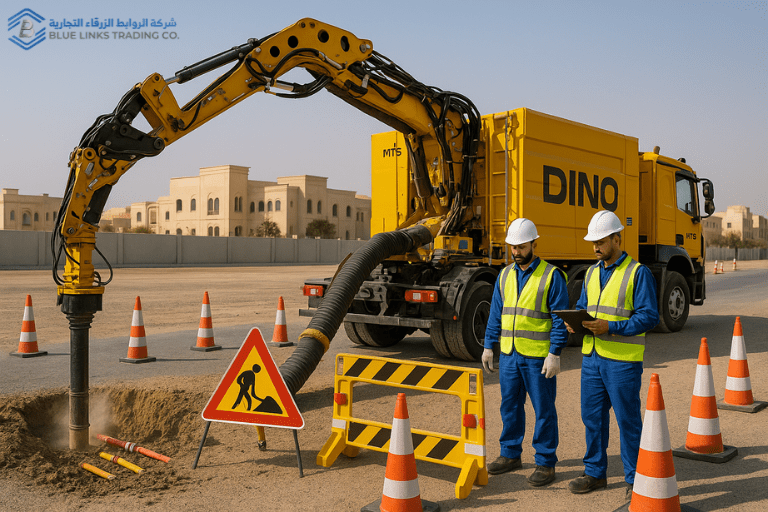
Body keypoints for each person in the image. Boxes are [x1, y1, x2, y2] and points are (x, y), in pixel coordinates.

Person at [565, 210, 659, 499]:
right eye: (593, 242)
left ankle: (635, 478)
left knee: (627, 420)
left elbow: (649, 316)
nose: (596, 247)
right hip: (592, 358)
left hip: (621, 361)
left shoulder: (637, 272)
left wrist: (612, 327)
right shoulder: (592, 272)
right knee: (592, 418)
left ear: (617, 239)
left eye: (601, 241)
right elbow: (584, 304)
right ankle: (595, 472)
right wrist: (576, 322)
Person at [481, 218, 569, 487]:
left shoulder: (552, 276)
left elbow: (559, 319)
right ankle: (510, 454)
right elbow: (497, 312)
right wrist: (488, 345)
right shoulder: (505, 275)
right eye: (513, 247)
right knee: (509, 406)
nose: (516, 252)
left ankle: (545, 462)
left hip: (538, 357)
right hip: (509, 354)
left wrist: (555, 352)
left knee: (543, 410)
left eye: (521, 246)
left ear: (534, 244)